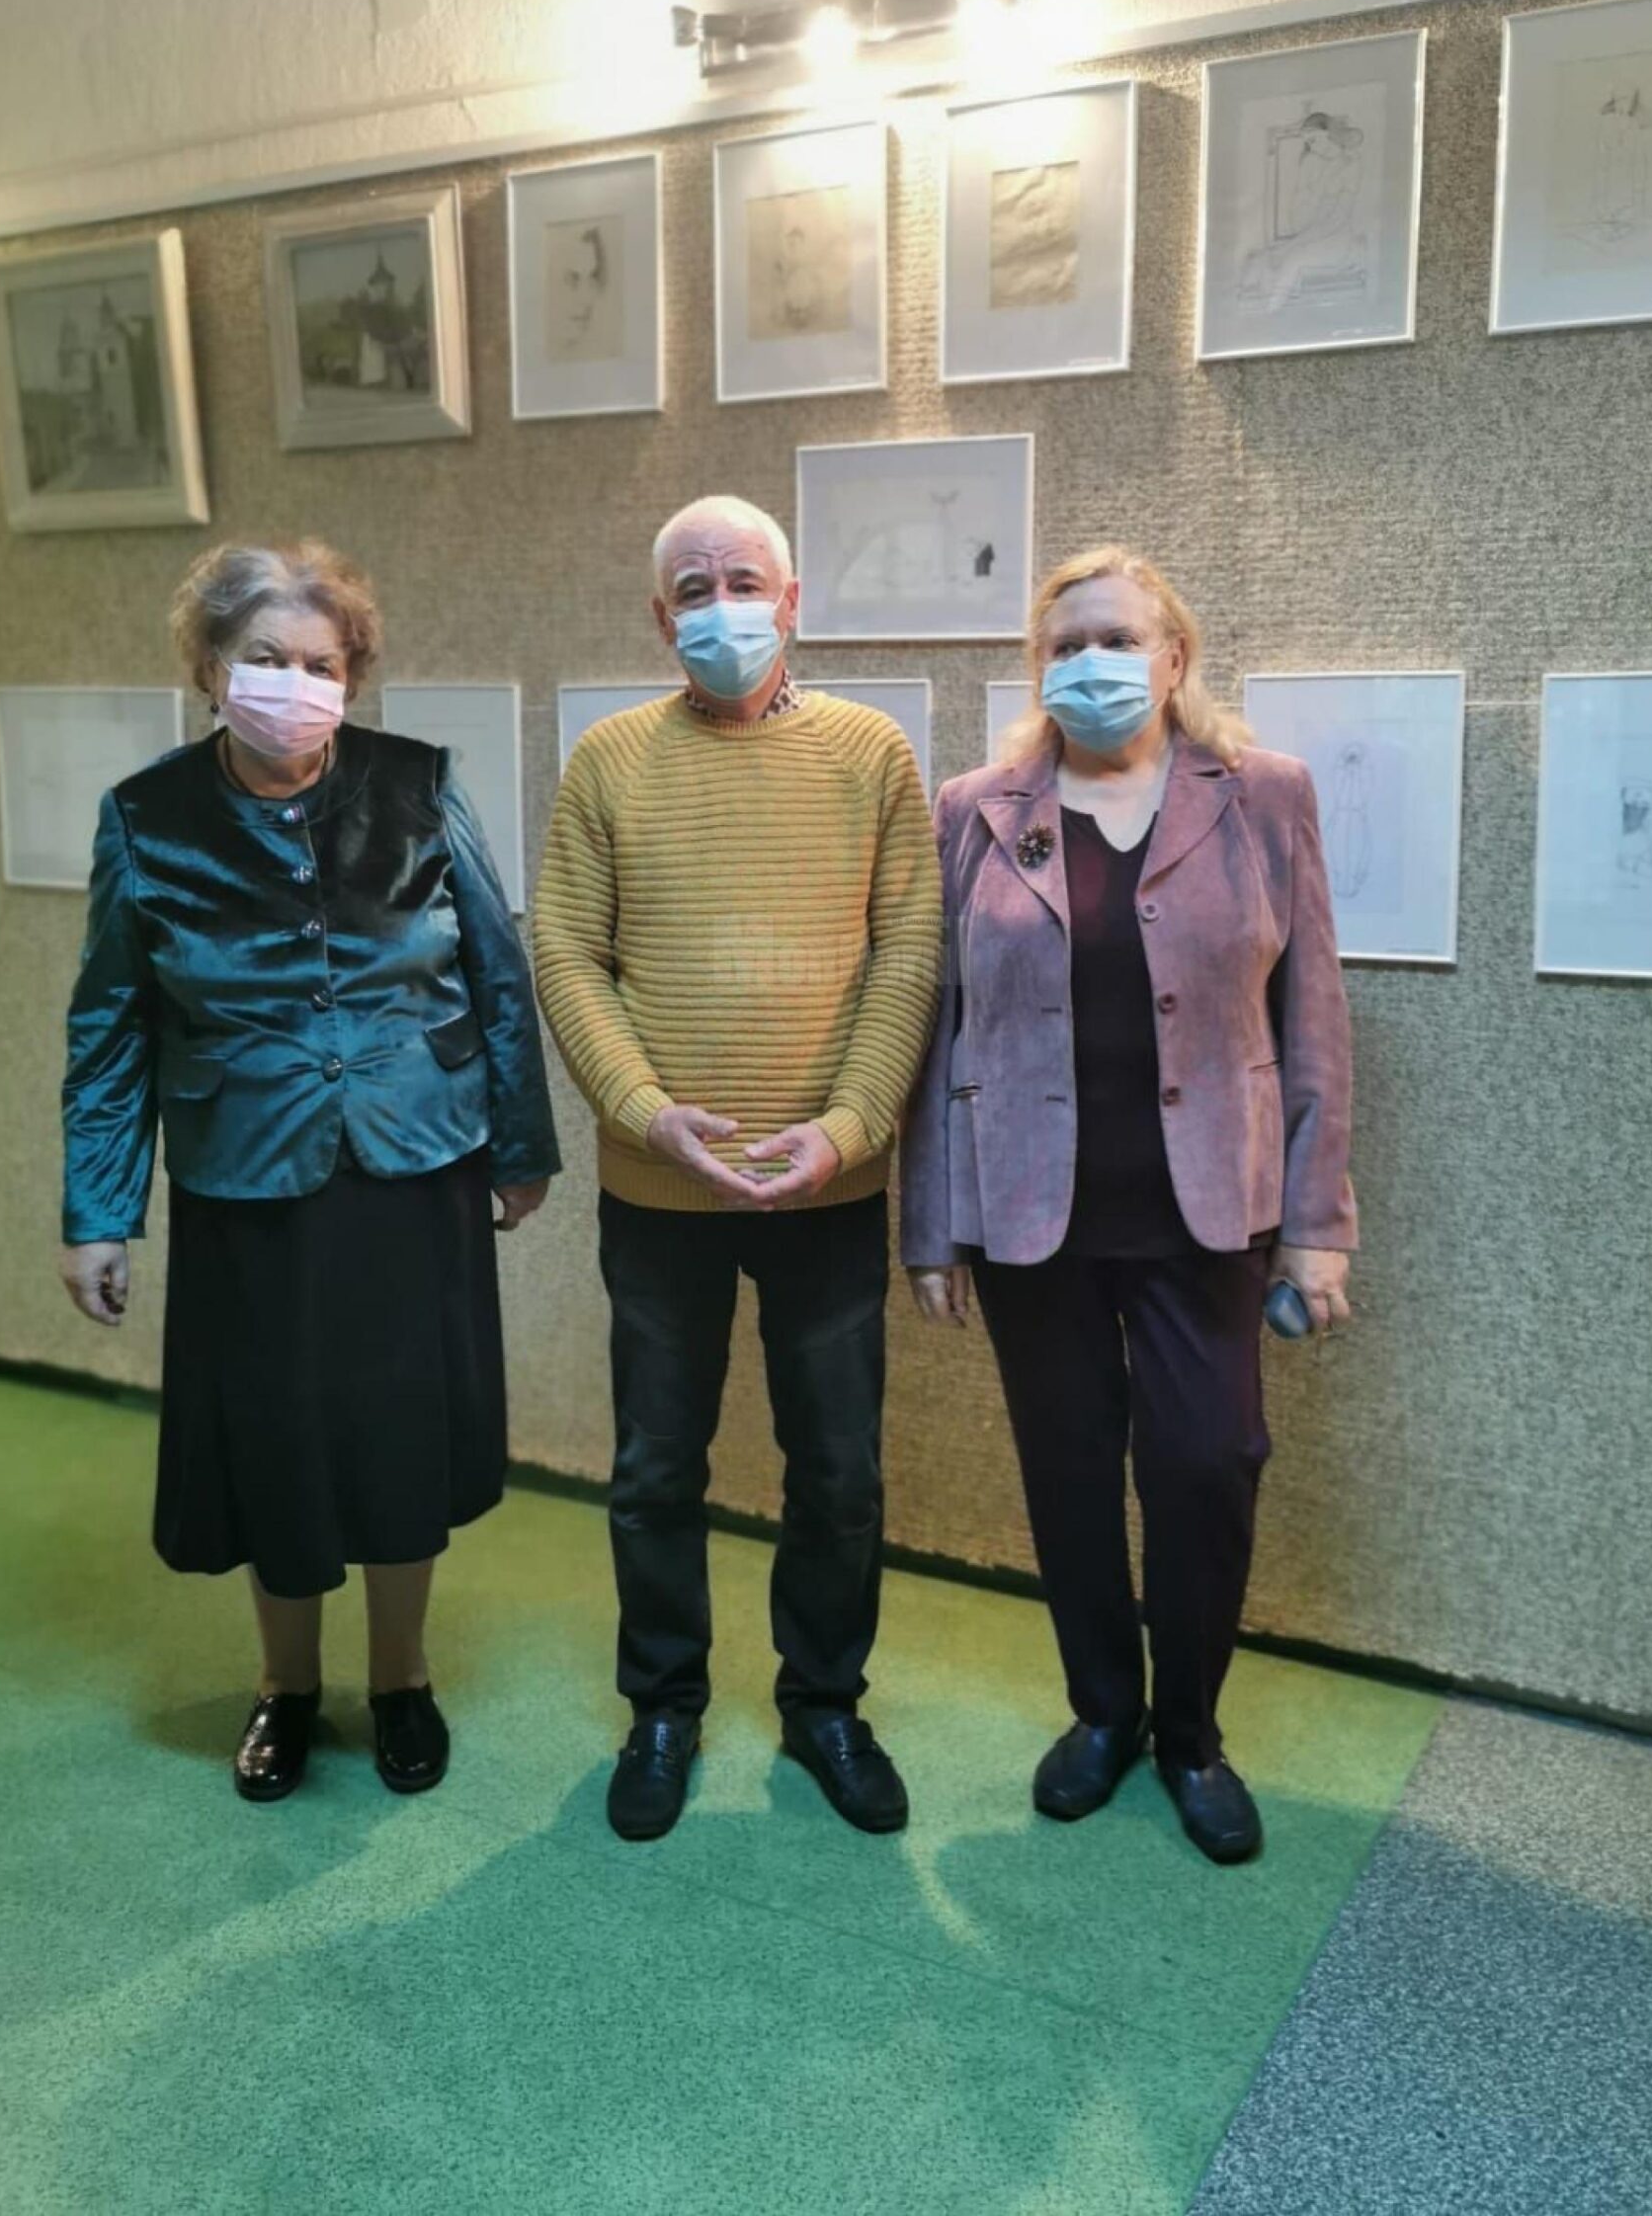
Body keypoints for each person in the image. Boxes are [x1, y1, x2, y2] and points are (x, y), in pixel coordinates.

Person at [59, 541, 559, 1804]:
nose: (295, 683)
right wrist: (99, 1210)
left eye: (321, 663)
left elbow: (497, 972)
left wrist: (519, 1146)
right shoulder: (147, 817)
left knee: (399, 1430)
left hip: (414, 1159)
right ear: (208, 668)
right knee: (273, 1432)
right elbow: (111, 1026)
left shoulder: (420, 784)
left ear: (354, 675)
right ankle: (285, 1685)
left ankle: (401, 1677)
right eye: (265, 657)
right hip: (246, 1173)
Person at [901, 546, 1356, 1864]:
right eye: (1064, 645)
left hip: (1207, 1209)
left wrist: (1318, 1223)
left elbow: (1314, 1016)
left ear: (1173, 657)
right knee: (1068, 1470)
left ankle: (1190, 1734)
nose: (1090, 664)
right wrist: (930, 1226)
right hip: (1030, 1212)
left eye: (1116, 638)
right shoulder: (977, 809)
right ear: (1037, 669)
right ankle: (1103, 1711)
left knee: (1208, 1464)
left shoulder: (1262, 796)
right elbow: (939, 1028)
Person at [532, 495, 940, 1842]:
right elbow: (566, 952)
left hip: (829, 1188)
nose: (723, 609)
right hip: (661, 1189)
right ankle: (663, 1706)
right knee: (657, 1464)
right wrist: (645, 1111)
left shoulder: (872, 753)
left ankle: (824, 1703)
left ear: (794, 599)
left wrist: (852, 1121)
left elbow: (909, 950)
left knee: (839, 1469)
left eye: (745, 581)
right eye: (695, 589)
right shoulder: (608, 759)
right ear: (661, 618)